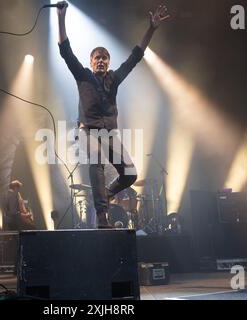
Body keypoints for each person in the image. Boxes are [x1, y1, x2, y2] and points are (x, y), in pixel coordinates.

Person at [57, 1, 170, 228]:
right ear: (91, 62)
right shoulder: (83, 76)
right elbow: (65, 50)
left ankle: (106, 193)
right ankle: (102, 215)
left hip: (110, 134)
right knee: (96, 161)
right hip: (88, 131)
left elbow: (135, 57)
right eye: (97, 57)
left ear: (108, 63)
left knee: (130, 175)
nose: (100, 60)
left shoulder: (114, 79)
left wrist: (152, 28)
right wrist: (61, 17)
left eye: (104, 58)